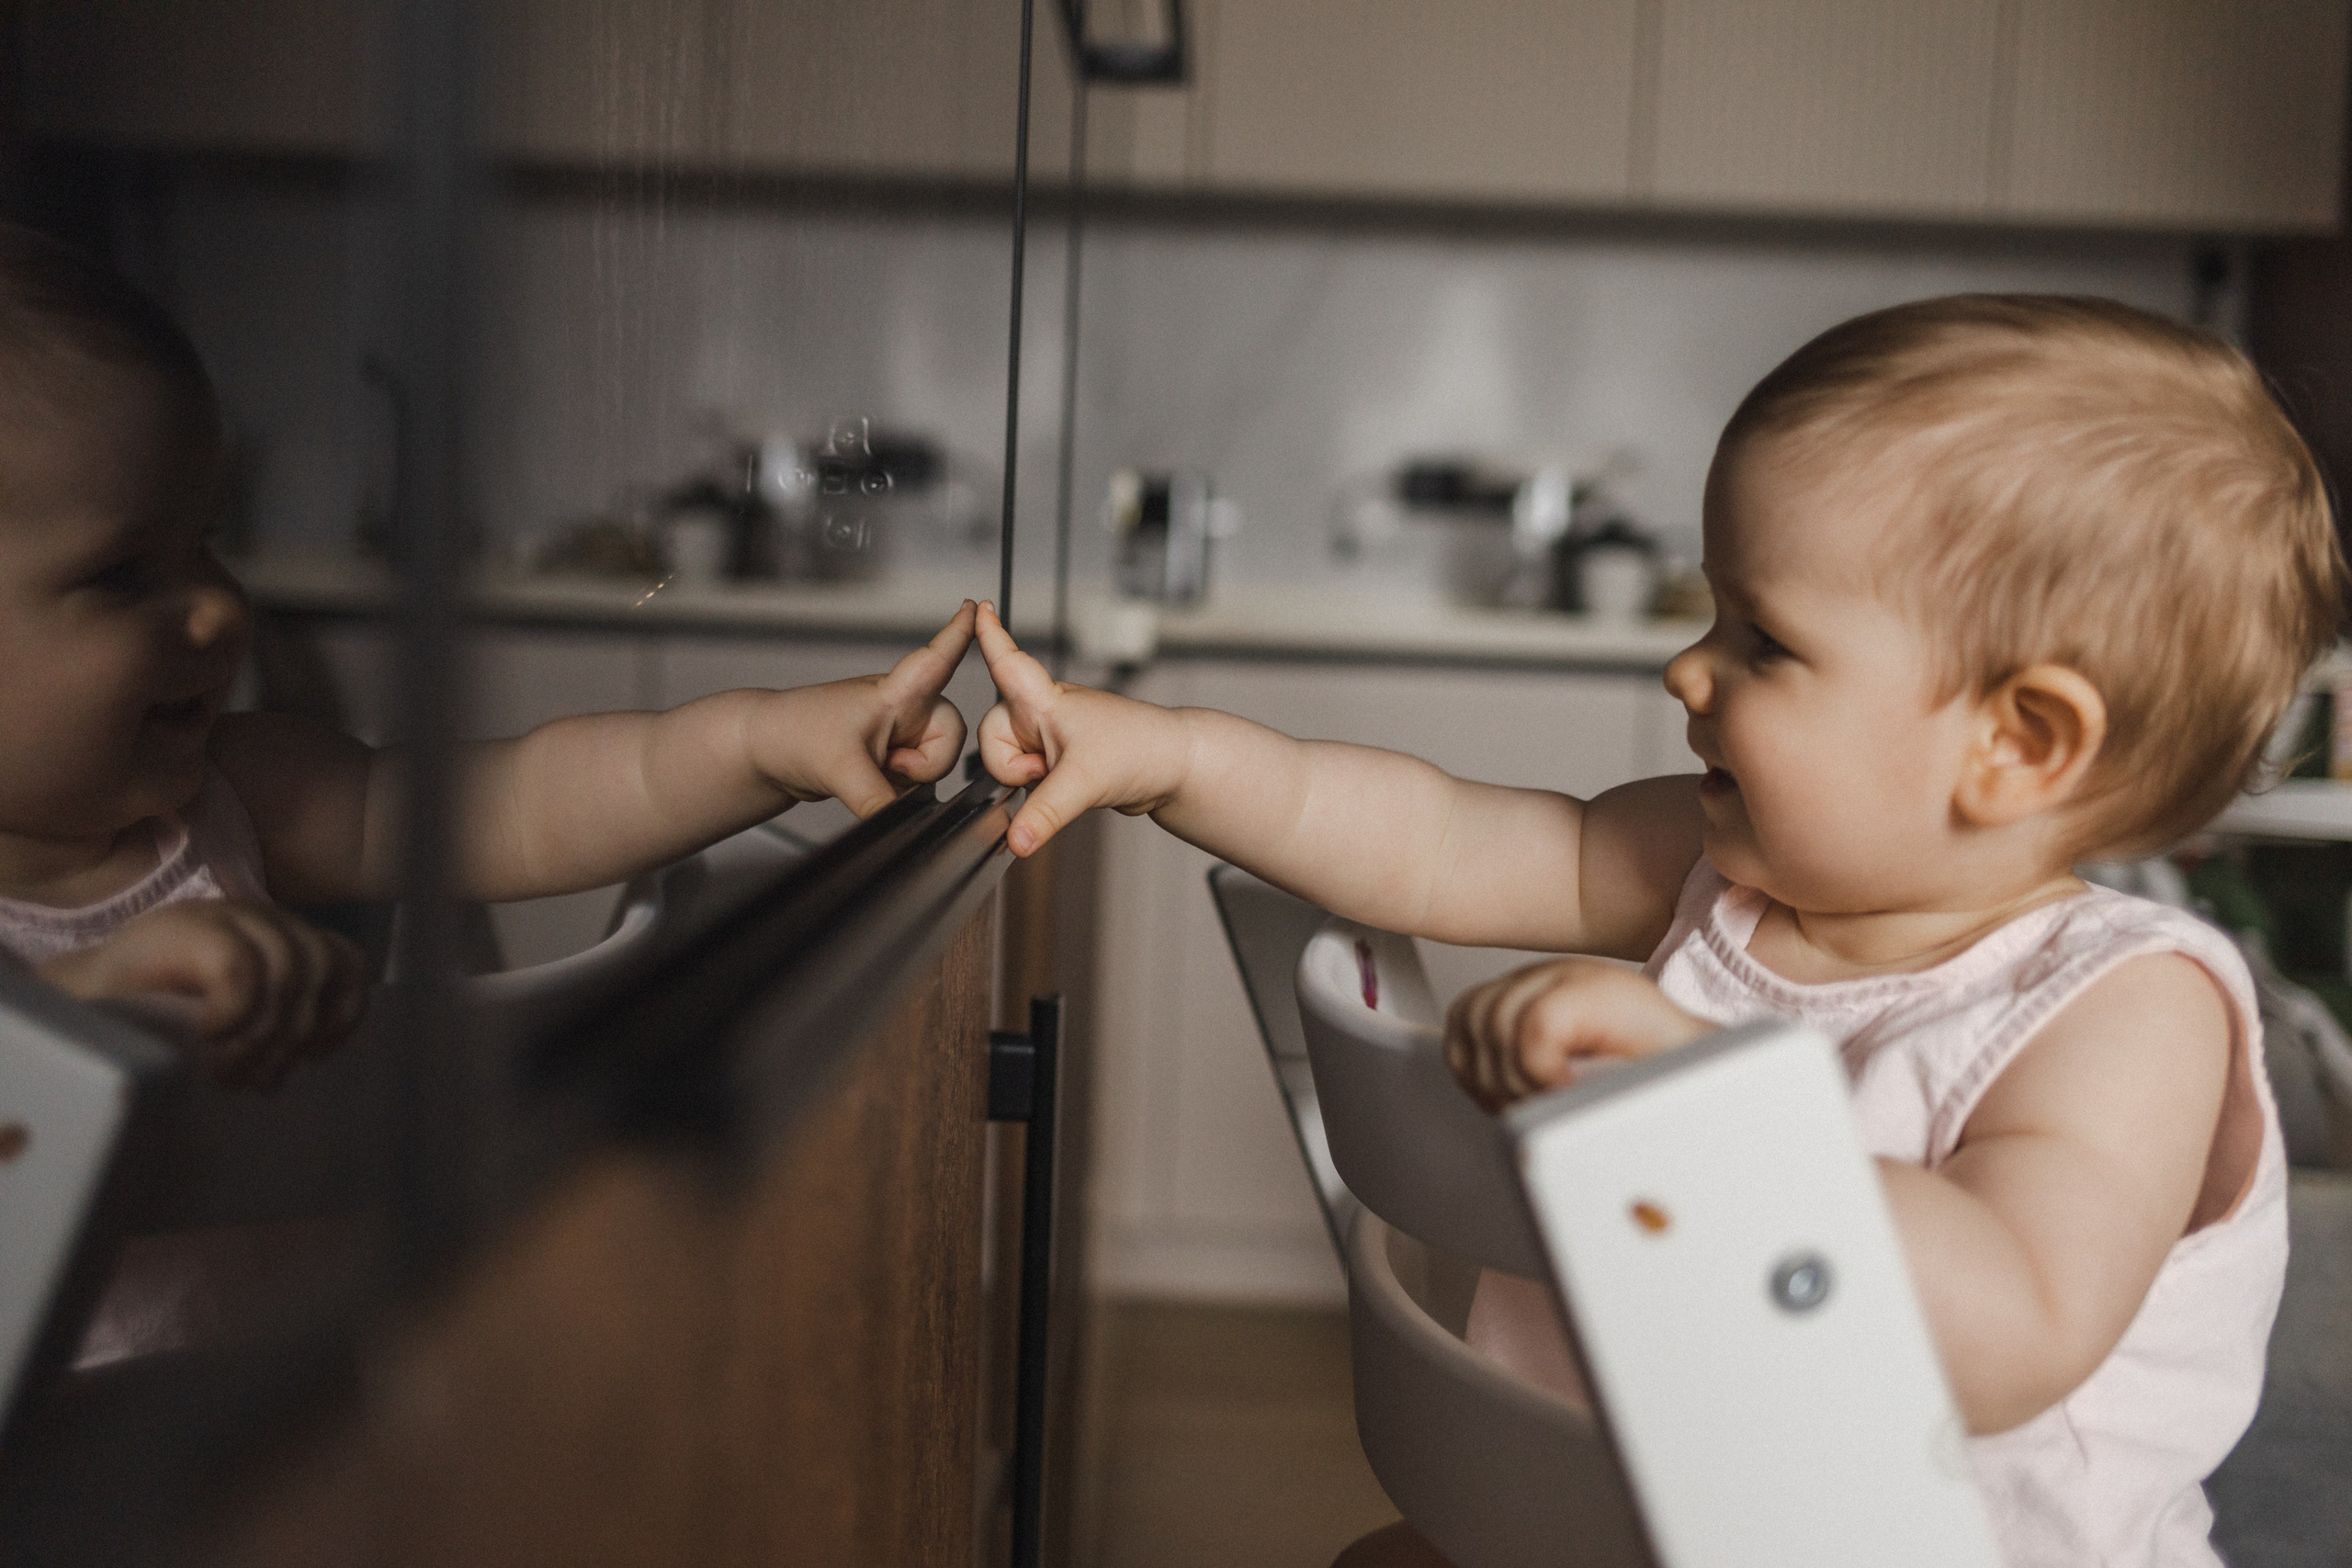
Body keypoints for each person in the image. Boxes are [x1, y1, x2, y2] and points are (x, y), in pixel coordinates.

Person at [971, 295, 2344, 1567]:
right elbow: (1437, 838)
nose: (1687, 665)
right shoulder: (1719, 874)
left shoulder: (2124, 1010)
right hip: (1608, 1518)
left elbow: (2019, 1325)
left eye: (1765, 640)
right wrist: (1179, 757)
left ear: (2016, 740)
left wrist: (1700, 1098)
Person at [0, 221, 978, 1084]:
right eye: (124, 574)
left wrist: (759, 740)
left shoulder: (231, 800)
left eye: (206, 542)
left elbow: (517, 807)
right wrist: (88, 1000)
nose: (218, 607)